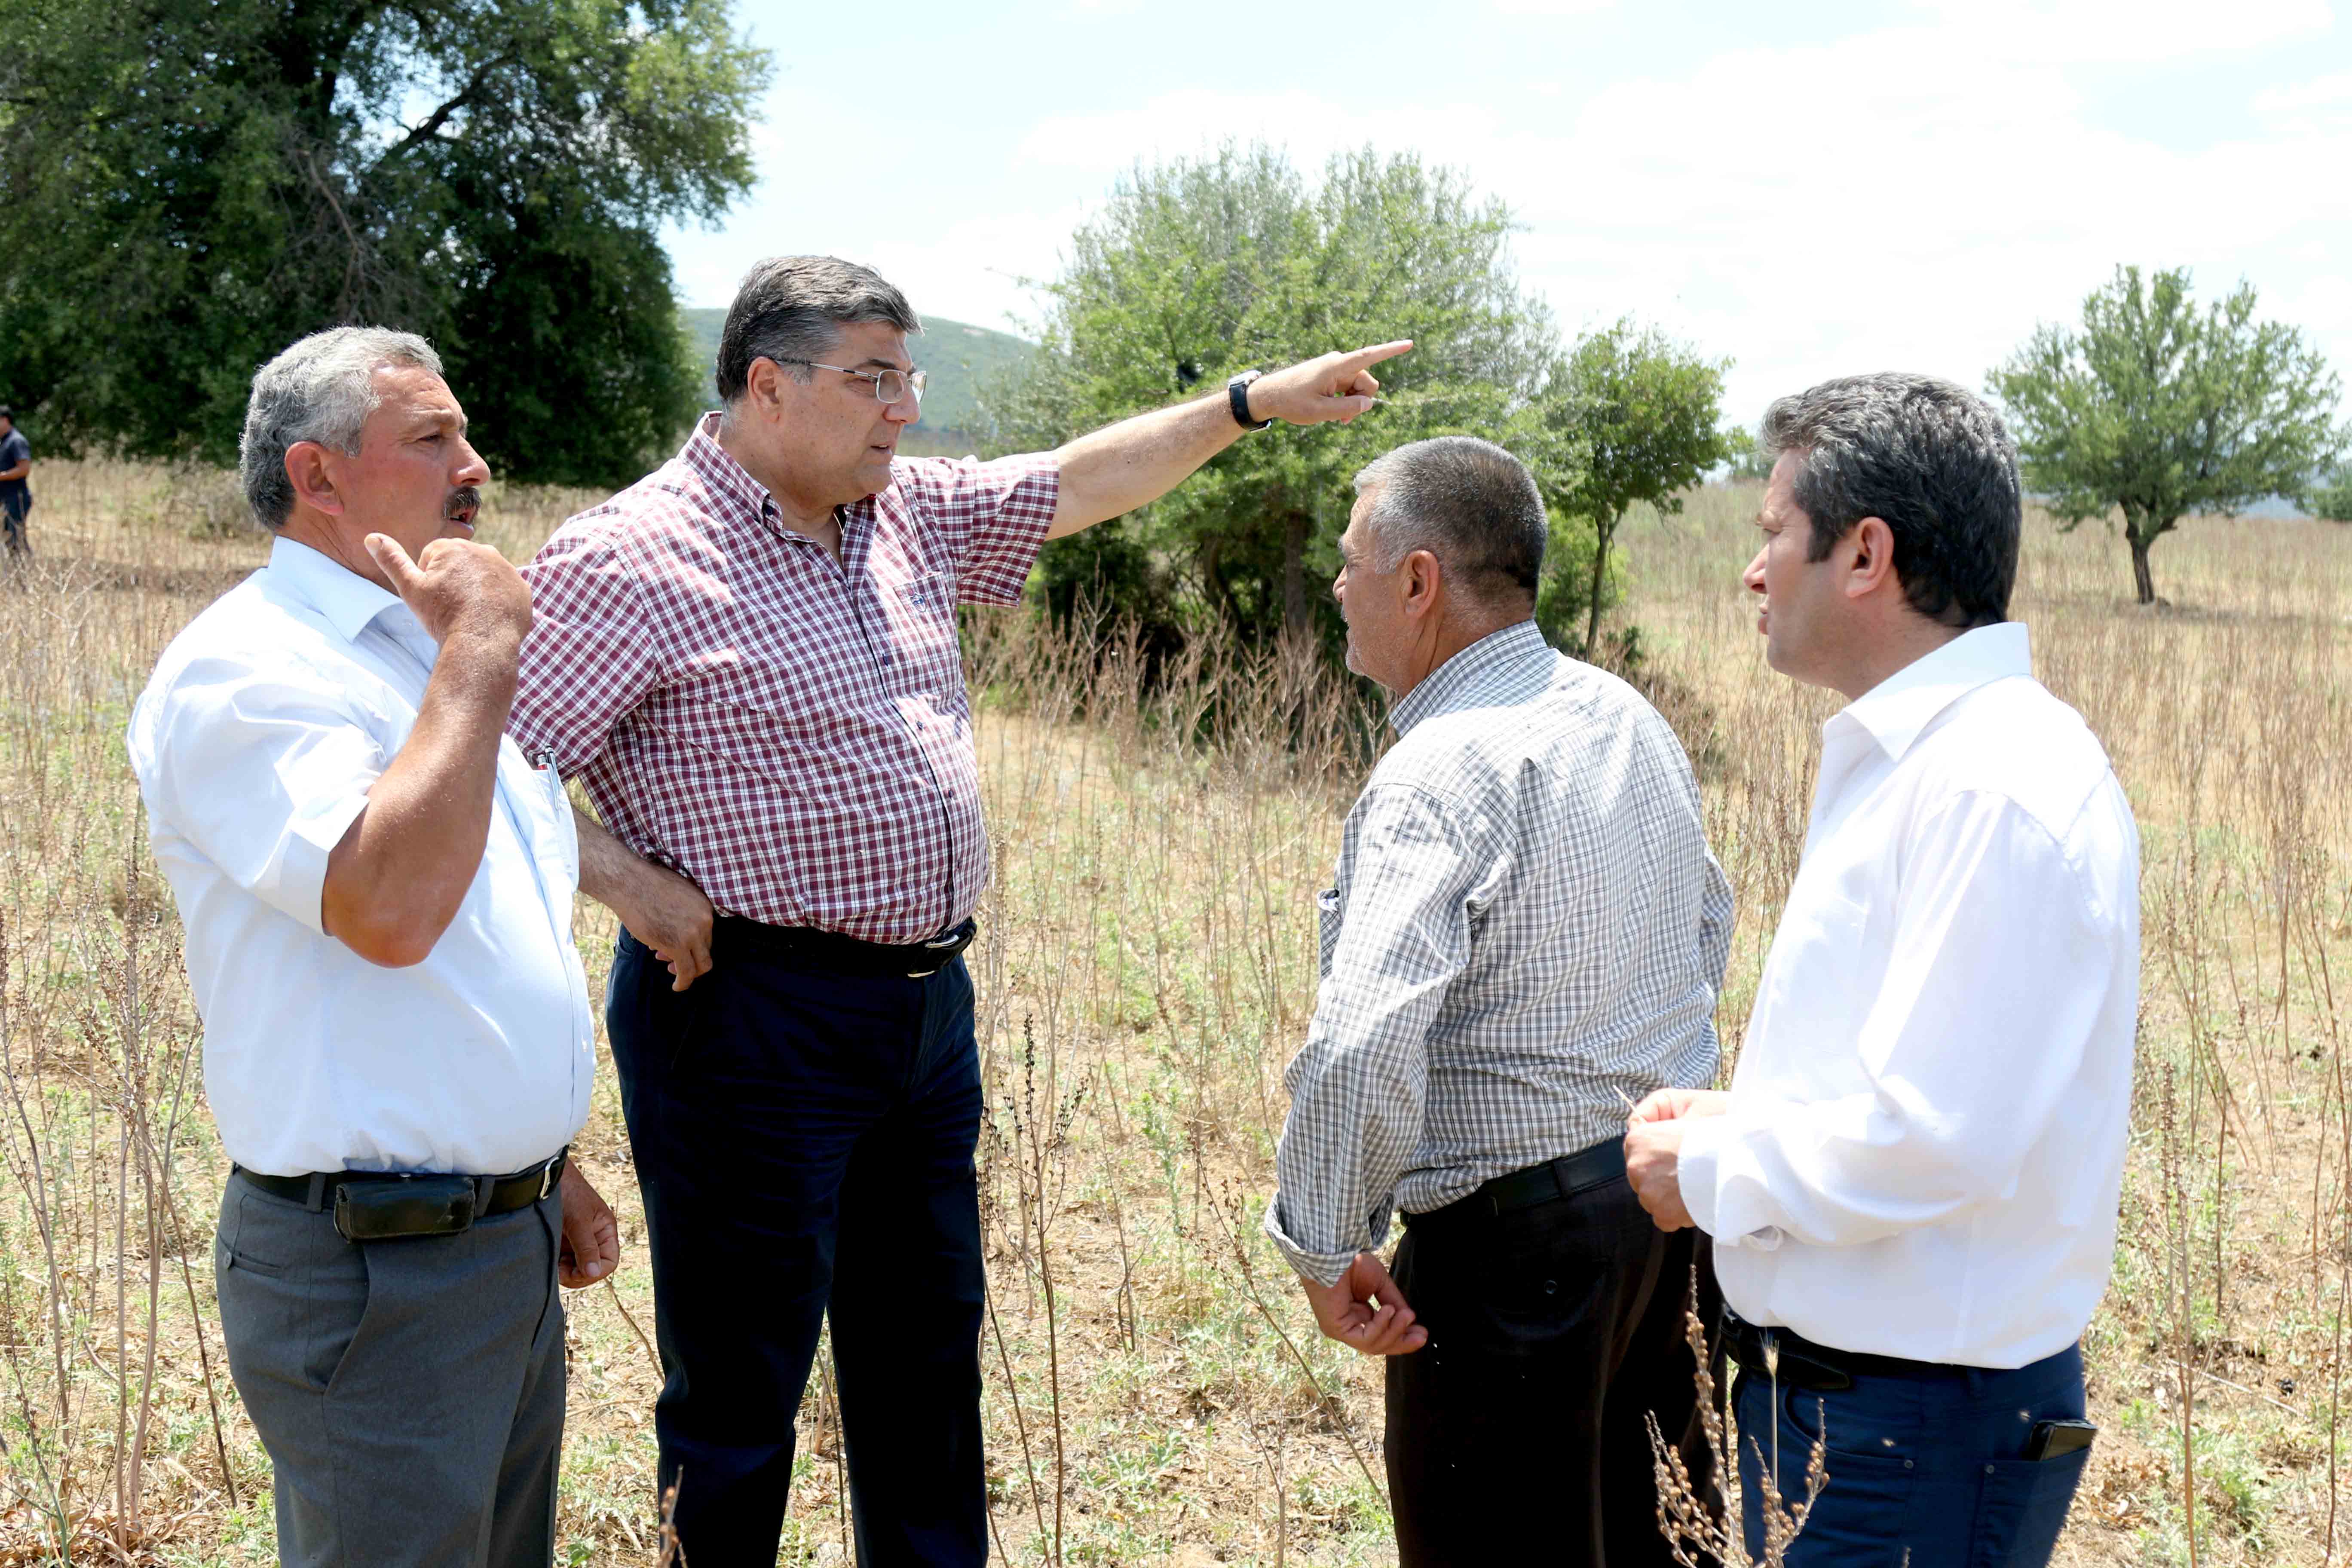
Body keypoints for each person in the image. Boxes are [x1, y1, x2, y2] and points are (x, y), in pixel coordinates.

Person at [506, 252, 1409, 1566]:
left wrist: (1249, 403)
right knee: (741, 1392)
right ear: (768, 383)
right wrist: (627, 881)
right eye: (874, 378)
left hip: (926, 1014)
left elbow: (1082, 479)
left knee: (925, 1368)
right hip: (747, 1016)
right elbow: (487, 760)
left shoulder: (906, 515)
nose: (904, 409)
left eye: (908, 376)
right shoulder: (629, 556)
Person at [1623, 374, 2139, 1568]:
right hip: (1859, 1414)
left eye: (1771, 536)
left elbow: (1939, 1139)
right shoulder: (1928, 764)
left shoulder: (1992, 785)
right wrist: (1739, 1121)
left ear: (1865, 554)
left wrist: (1705, 1163)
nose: (1754, 572)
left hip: (1911, 1434)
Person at [127, 327, 623, 1568]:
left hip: (484, 1250)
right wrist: (482, 649)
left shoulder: (413, 651)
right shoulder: (249, 673)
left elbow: (476, 937)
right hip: (376, 1278)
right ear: (321, 475)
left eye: (463, 432)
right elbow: (390, 910)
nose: (478, 465)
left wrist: (530, 1164)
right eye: (432, 437)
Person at [1262, 436, 1735, 1568]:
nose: (1337, 588)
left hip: (1516, 1262)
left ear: (1418, 581)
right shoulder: (1624, 716)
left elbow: (1362, 1039)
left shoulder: (1440, 768)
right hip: (1673, 1223)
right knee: (1660, 1546)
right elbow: (1707, 929)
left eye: (1351, 563)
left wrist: (1326, 1246)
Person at [0, 405, 32, 557]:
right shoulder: (4, 442)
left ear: (5, 420)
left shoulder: (16, 441)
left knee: (15, 540)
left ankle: (24, 574)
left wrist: (1, 476)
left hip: (16, 498)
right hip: (5, 498)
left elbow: (24, 469)